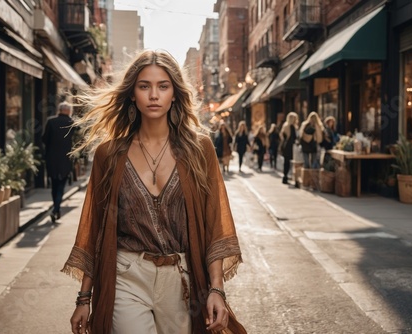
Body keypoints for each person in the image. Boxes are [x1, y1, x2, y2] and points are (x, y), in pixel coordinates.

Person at [61, 50, 246, 334]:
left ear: (175, 93)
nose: (154, 95)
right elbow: (95, 229)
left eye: (163, 86)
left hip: (182, 279)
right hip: (127, 275)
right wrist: (84, 298)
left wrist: (216, 289)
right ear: (132, 94)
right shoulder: (109, 154)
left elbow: (215, 226)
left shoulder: (200, 149)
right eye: (144, 86)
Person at [42, 101, 74, 222]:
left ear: (59, 110)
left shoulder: (51, 122)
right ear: (69, 111)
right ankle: (56, 209)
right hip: (65, 159)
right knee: (61, 185)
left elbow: (44, 139)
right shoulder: (71, 123)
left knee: (54, 185)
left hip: (52, 159)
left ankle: (56, 209)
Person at [279, 112, 299, 184]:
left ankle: (285, 177)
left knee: (286, 162)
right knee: (291, 162)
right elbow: (294, 138)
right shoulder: (292, 127)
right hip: (290, 147)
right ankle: (288, 177)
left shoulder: (285, 126)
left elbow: (282, 136)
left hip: (285, 146)